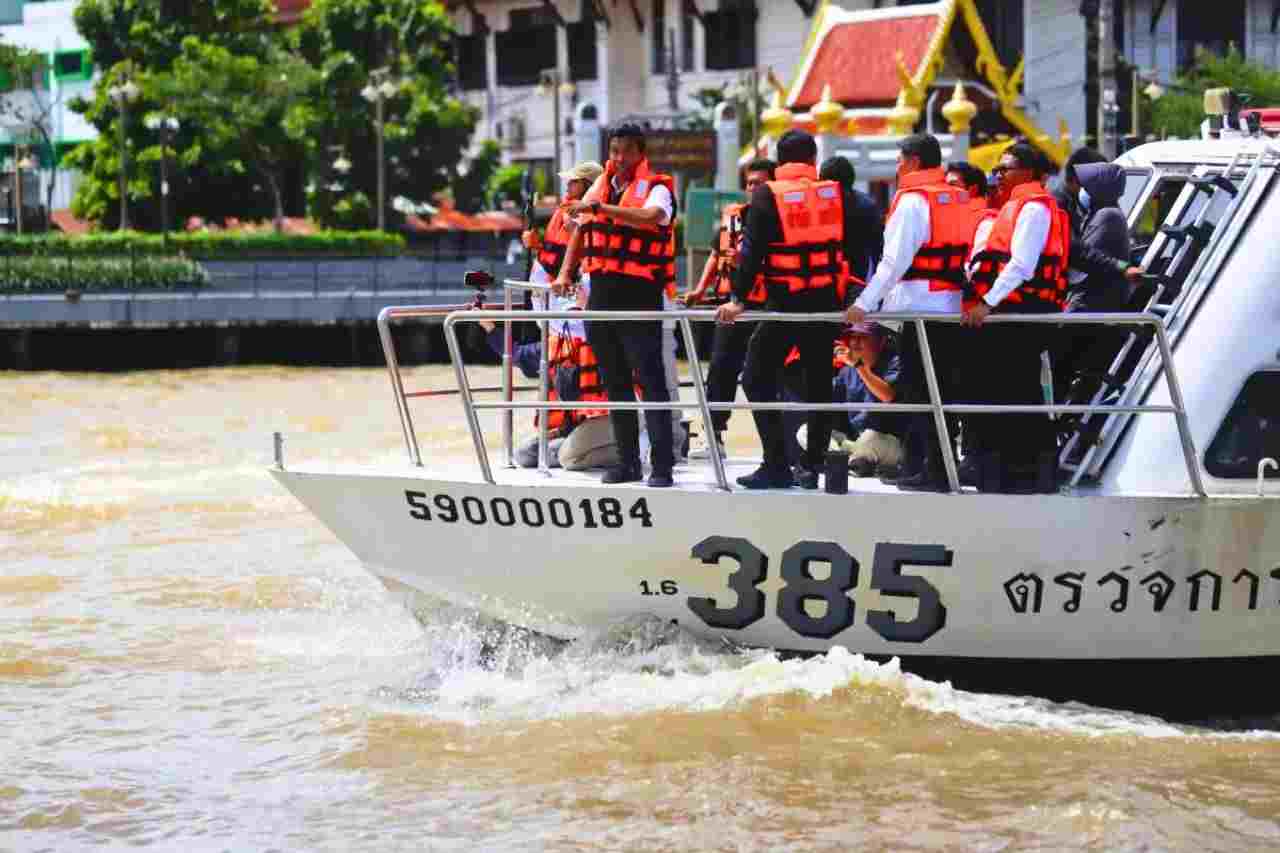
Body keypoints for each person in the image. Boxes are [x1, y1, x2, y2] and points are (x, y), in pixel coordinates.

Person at [716, 129, 847, 490]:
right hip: (825, 301)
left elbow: (751, 252)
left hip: (786, 301)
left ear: (780, 160)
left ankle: (776, 463)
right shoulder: (831, 192)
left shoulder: (767, 194)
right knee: (820, 382)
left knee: (755, 376)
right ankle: (813, 465)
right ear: (812, 160)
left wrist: (737, 298)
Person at [847, 133, 975, 491]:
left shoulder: (913, 202)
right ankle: (938, 468)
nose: (898, 167)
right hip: (950, 306)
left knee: (920, 393)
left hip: (919, 311)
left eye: (901, 160)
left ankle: (932, 471)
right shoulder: (958, 198)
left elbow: (893, 263)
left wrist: (863, 304)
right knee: (943, 393)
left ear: (915, 161)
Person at [554, 123, 678, 487]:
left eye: (625, 151)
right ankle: (628, 464)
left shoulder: (657, 189)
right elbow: (581, 228)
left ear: (641, 153)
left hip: (639, 295)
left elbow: (653, 217)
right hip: (602, 296)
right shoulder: (601, 186)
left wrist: (602, 207)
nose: (618, 158)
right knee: (616, 384)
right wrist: (565, 272)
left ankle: (663, 466)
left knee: (652, 382)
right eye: (613, 151)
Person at [964, 143, 1072, 493]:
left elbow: (1022, 265)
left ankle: (1031, 473)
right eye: (996, 170)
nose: (998, 175)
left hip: (1024, 313)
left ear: (1028, 172)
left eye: (1004, 169)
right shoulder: (1019, 206)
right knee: (1006, 389)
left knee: (1020, 390)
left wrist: (987, 304)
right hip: (1013, 311)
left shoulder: (1034, 209)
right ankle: (1009, 471)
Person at [682, 158, 775, 457]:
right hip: (729, 307)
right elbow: (715, 254)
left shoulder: (780, 221)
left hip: (765, 308)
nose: (753, 188)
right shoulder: (734, 217)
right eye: (749, 183)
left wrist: (746, 263)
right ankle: (714, 438)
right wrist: (698, 289)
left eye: (759, 183)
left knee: (764, 377)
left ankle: (777, 446)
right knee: (720, 370)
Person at [477, 284, 617, 471]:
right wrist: (489, 326)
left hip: (608, 421)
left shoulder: (603, 338)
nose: (570, 320)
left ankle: (627, 450)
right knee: (524, 455)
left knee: (563, 457)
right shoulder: (551, 344)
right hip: (572, 427)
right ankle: (576, 447)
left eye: (576, 312)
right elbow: (516, 354)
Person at [1055, 161, 1136, 405]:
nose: (1081, 192)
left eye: (1086, 188)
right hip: (1090, 300)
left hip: (1091, 303)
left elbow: (1087, 260)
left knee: (1060, 364)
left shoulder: (1107, 216)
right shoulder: (1099, 214)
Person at [831, 322, 903, 476]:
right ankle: (851, 462)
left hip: (890, 442)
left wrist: (859, 367)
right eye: (853, 337)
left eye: (863, 337)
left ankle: (844, 462)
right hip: (858, 442)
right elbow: (829, 403)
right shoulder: (847, 369)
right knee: (806, 431)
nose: (855, 342)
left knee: (870, 437)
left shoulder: (895, 361)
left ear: (881, 341)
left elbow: (888, 395)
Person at [818, 155, 884, 282]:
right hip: (858, 281)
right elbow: (878, 249)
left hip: (824, 282)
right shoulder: (868, 205)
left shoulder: (816, 206)